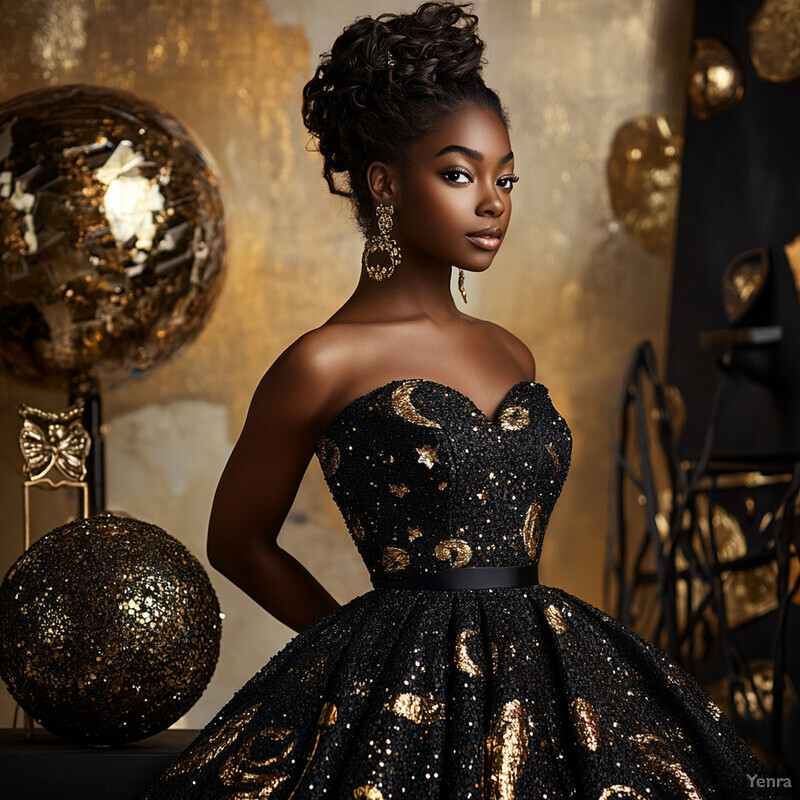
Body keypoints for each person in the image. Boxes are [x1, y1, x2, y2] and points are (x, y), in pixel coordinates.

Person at [142, 4, 780, 798]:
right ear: (385, 183)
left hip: (553, 668)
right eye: (458, 174)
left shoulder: (513, 353)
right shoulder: (322, 360)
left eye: (505, 177)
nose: (493, 201)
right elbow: (237, 540)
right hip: (400, 689)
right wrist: (364, 653)